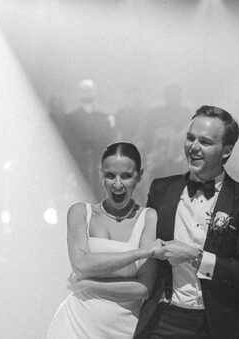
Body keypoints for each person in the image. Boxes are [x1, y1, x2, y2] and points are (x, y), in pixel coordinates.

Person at [134, 105, 239, 339]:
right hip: (164, 320)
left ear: (226, 151)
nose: (193, 147)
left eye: (205, 142)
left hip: (220, 324)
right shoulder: (161, 189)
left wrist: (195, 257)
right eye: (190, 138)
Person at [48, 142, 163, 338]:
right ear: (101, 174)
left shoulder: (148, 217)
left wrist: (91, 285)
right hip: (75, 325)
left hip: (124, 328)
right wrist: (141, 253)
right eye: (110, 175)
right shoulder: (80, 212)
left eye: (126, 176)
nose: (117, 184)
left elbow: (143, 289)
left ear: (139, 176)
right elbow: (82, 266)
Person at [63, 79, 116, 197]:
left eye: (89, 90)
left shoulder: (104, 117)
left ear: (95, 92)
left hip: (100, 167)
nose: (87, 93)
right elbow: (68, 143)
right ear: (79, 93)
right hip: (80, 166)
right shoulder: (71, 119)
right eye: (84, 90)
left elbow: (110, 141)